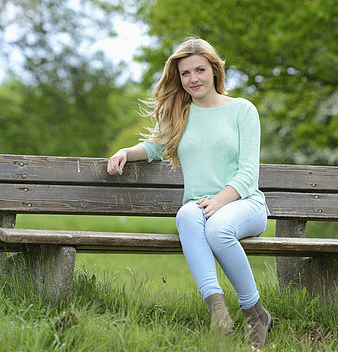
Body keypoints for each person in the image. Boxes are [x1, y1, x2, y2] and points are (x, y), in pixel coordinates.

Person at [106, 36, 272, 348]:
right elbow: (156, 147)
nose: (193, 79)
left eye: (199, 70)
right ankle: (219, 314)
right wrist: (127, 152)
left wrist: (220, 201)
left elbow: (249, 173)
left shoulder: (242, 111)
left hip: (244, 203)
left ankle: (255, 314)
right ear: (178, 78)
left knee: (219, 229)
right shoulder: (181, 114)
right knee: (186, 214)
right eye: (185, 73)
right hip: (201, 205)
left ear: (214, 71)